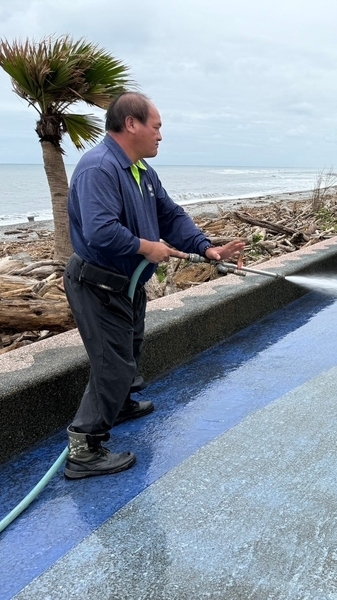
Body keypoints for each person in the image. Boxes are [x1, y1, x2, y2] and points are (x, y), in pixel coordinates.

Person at [63, 91, 245, 479]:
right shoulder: (100, 168)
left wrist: (207, 248)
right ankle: (84, 448)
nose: (160, 135)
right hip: (98, 285)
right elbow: (99, 231)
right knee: (111, 364)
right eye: (156, 126)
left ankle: (121, 404)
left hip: (127, 284)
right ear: (132, 124)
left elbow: (170, 215)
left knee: (130, 348)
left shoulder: (141, 171)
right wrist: (147, 247)